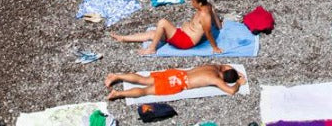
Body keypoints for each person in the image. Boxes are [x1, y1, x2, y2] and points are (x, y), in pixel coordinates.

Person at [111, 0, 222, 54]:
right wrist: (219, 26)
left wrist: (215, 47)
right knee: (153, 34)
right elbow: (213, 11)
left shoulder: (204, 16)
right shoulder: (207, 5)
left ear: (200, 3)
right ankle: (123, 38)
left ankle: (152, 49)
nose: (191, 3)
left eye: (193, 1)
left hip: (185, 41)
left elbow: (208, 32)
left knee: (163, 22)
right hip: (182, 34)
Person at [105, 64, 245, 100]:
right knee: (145, 91)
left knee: (144, 79)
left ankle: (116, 76)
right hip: (178, 83)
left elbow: (226, 66)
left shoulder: (214, 67)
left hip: (177, 73)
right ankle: (117, 93)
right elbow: (231, 91)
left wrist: (236, 72)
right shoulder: (215, 79)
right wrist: (239, 82)